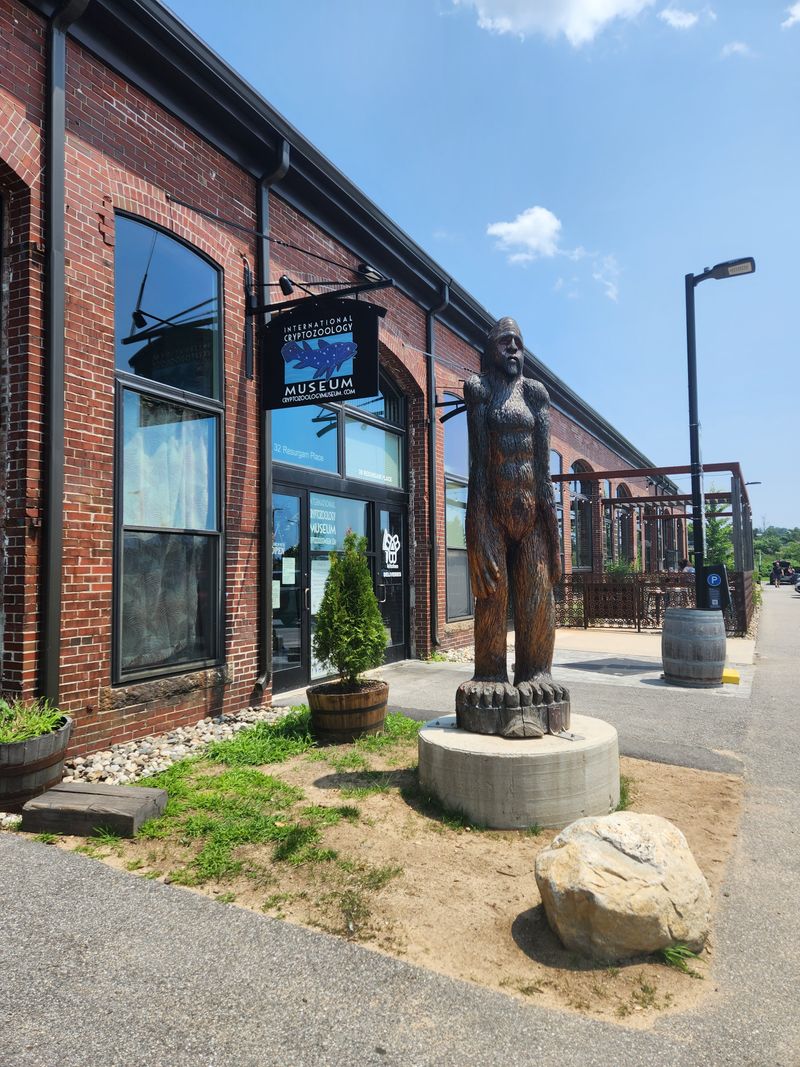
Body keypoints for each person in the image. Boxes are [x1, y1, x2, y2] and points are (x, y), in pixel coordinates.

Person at [456, 317, 568, 739]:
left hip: (533, 515)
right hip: (492, 511)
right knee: (492, 594)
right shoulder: (480, 390)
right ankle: (488, 674)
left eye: (518, 342)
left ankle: (537, 672)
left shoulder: (536, 394)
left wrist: (555, 542)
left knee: (538, 598)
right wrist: (475, 532)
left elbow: (544, 473)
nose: (513, 349)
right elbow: (477, 467)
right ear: (491, 349)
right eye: (505, 342)